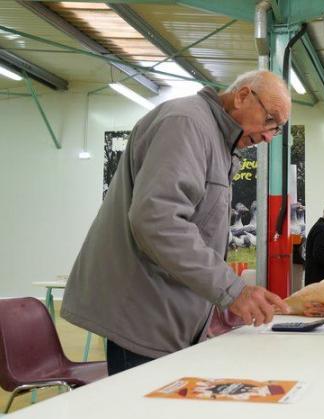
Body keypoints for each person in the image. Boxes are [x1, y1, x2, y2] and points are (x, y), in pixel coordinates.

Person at [61, 70, 291, 375]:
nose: (268, 136)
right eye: (270, 120)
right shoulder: (187, 124)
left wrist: (218, 305)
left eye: (276, 129)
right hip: (145, 317)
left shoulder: (217, 140)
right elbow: (158, 221)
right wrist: (232, 290)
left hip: (166, 316)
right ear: (243, 96)